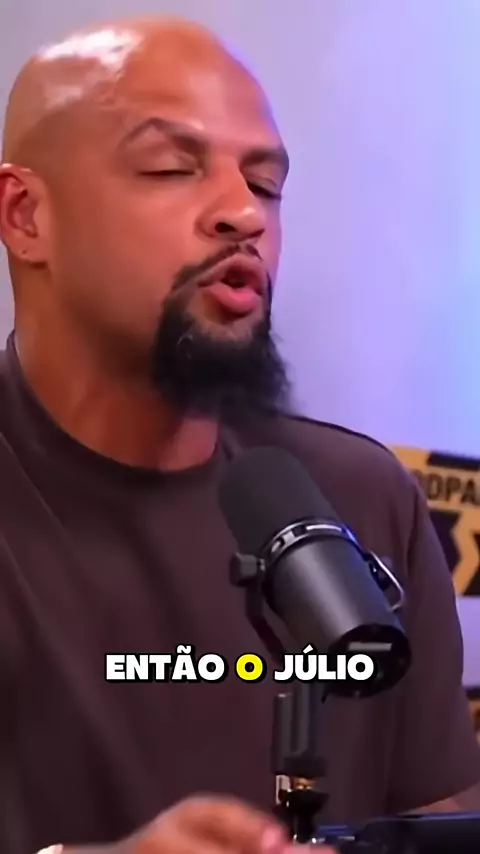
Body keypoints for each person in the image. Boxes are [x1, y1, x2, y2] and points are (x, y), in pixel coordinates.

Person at [0, 14, 479, 854]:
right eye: (170, 168)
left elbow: (441, 824)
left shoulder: (363, 496)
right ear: (27, 214)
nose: (241, 214)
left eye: (264, 184)